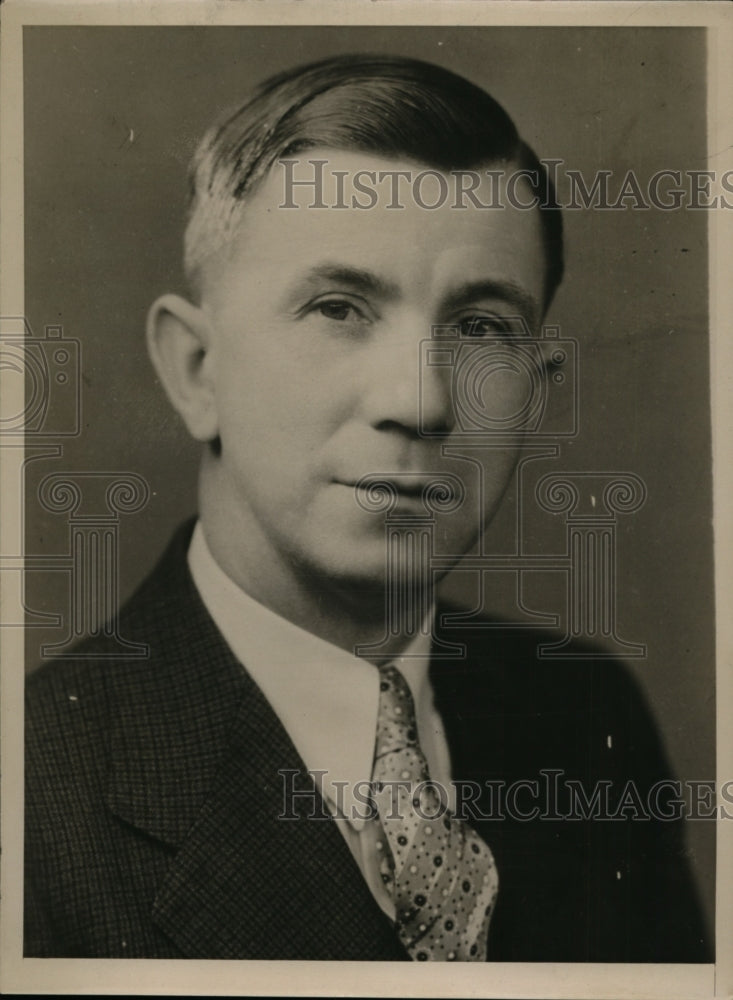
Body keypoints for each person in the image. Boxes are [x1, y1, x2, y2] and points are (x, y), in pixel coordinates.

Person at [24, 54, 710, 962]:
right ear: (197, 370)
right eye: (339, 307)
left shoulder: (582, 716)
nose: (420, 401)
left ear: (535, 394)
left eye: (480, 328)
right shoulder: (31, 792)